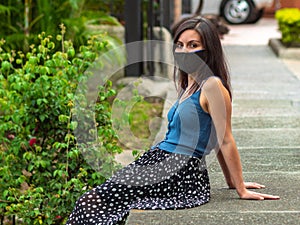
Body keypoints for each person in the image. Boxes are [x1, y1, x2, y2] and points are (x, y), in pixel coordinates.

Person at [66, 16, 280, 225]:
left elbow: (224, 139)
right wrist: (231, 181)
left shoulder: (212, 86)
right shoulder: (189, 82)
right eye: (179, 45)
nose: (184, 51)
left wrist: (239, 186)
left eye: (193, 45)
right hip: (161, 160)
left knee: (91, 203)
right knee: (95, 202)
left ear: (209, 50)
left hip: (179, 170)